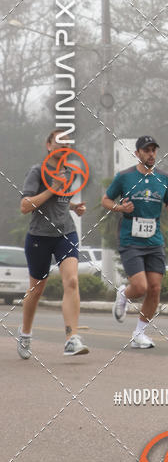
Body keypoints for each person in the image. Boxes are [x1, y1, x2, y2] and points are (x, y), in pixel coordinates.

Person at [102, 136, 168, 348]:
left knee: (154, 289)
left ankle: (139, 333)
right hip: (130, 239)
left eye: (154, 150)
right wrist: (119, 208)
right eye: (146, 150)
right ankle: (124, 294)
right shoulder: (125, 177)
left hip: (154, 240)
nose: (151, 154)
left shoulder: (164, 178)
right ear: (137, 153)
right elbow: (106, 200)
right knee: (140, 287)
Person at [17, 130, 89, 359]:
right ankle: (25, 332)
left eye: (67, 143)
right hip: (39, 237)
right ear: (48, 145)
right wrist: (51, 189)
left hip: (66, 233)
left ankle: (71, 338)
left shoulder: (69, 173)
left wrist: (73, 207)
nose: (64, 146)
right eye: (59, 142)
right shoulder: (37, 171)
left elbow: (61, 201)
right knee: (37, 290)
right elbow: (25, 206)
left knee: (72, 280)